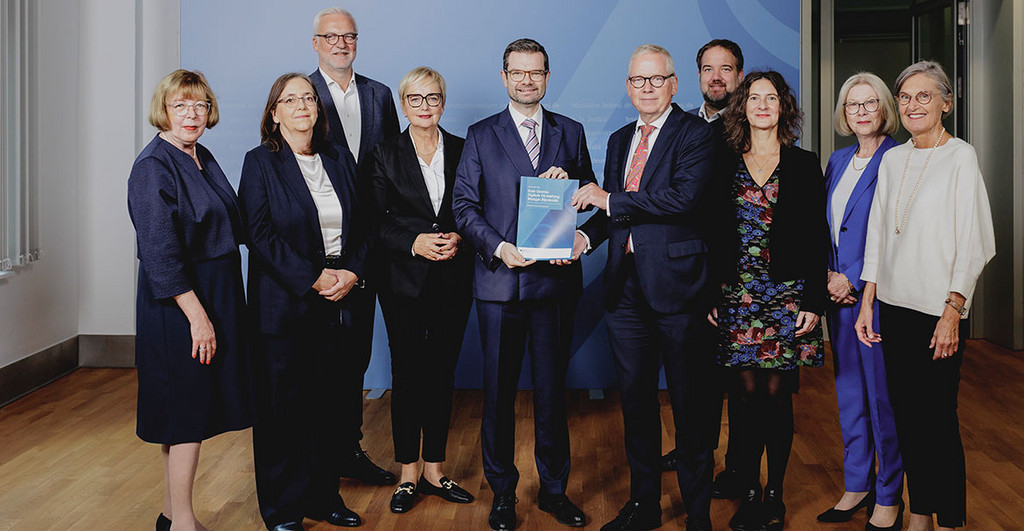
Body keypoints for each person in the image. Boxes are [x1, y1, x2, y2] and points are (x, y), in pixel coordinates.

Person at [452, 38, 594, 531]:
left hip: (554, 284)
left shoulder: (570, 131)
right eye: (518, 72)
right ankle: (503, 493)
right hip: (500, 284)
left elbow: (591, 196)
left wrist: (571, 189)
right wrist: (497, 246)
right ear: (505, 77)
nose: (527, 80)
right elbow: (463, 207)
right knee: (497, 396)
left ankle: (554, 491)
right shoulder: (480, 135)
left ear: (548, 77)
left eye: (536, 72)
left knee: (553, 393)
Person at [573, 44, 717, 531]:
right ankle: (644, 505)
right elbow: (614, 213)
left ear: (674, 84)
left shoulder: (697, 134)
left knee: (689, 406)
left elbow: (682, 199)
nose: (648, 88)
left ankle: (698, 513)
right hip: (625, 291)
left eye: (657, 79)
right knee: (635, 403)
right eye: (639, 80)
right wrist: (583, 239)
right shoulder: (619, 140)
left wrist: (608, 199)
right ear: (628, 86)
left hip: (679, 289)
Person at [857, 60, 995, 531]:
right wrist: (868, 301)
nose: (913, 105)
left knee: (937, 420)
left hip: (938, 311)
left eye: (924, 96)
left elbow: (974, 241)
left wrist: (953, 310)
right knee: (907, 418)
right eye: (905, 97)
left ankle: (949, 520)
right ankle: (920, 514)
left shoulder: (960, 157)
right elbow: (878, 234)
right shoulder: (893, 159)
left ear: (945, 103)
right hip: (893, 307)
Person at [239, 73, 368, 531]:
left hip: (338, 297)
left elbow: (365, 224)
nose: (301, 106)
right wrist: (311, 277)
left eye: (308, 98)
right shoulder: (260, 162)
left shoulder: (339, 159)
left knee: (329, 407)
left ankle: (323, 497)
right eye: (290, 99)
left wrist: (352, 271)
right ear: (274, 113)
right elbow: (258, 234)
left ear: (318, 108)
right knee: (282, 413)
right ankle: (282, 509)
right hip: (285, 304)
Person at [127, 69, 254, 531]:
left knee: (186, 409)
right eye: (180, 105)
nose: (192, 114)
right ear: (163, 110)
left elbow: (232, 221)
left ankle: (171, 514)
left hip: (214, 291)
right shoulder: (153, 166)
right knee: (186, 412)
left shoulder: (200, 155)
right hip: (180, 301)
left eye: (200, 105)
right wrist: (198, 318)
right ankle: (183, 523)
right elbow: (160, 255)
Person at [709, 70, 827, 531]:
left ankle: (774, 493)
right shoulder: (723, 161)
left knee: (776, 397)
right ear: (742, 106)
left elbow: (817, 237)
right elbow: (709, 233)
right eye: (754, 97)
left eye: (771, 97)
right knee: (744, 396)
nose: (762, 105)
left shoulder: (803, 163)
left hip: (786, 295)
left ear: (783, 107)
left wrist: (814, 301)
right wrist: (710, 292)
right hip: (736, 294)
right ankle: (749, 489)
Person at [364, 67, 475, 514]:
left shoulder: (465, 149)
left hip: (452, 278)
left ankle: (435, 469)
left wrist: (461, 237)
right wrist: (414, 242)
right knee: (407, 375)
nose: (425, 106)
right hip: (402, 282)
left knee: (443, 373)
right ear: (403, 104)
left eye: (433, 98)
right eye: (415, 98)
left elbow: (476, 208)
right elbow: (374, 221)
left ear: (443, 103)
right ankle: (408, 472)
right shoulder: (382, 153)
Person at [308, 7, 399, 486]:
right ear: (316, 43)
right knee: (321, 357)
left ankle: (349, 448)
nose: (341, 44)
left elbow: (395, 161)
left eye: (349, 36)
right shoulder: (301, 94)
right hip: (321, 248)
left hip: (372, 243)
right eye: (331, 36)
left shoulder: (379, 94)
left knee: (357, 354)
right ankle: (318, 455)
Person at [661, 39, 747, 503]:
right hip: (687, 269)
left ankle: (738, 469)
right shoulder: (682, 126)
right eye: (708, 69)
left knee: (742, 380)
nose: (716, 77)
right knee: (698, 374)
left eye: (726, 69)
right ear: (696, 77)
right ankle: (694, 451)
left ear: (739, 75)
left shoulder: (755, 125)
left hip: (738, 271)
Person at [817, 72, 904, 530]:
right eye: (853, 105)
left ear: (885, 108)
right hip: (838, 298)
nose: (862, 112)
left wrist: (850, 278)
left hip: (877, 297)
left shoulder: (898, 158)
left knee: (882, 397)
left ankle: (889, 494)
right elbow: (823, 228)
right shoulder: (837, 160)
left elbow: (896, 232)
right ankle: (857, 484)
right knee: (849, 391)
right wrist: (828, 278)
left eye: (871, 103)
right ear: (844, 114)